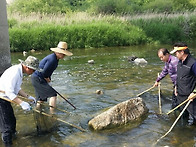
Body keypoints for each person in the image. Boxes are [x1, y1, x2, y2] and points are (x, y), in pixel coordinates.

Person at [0, 56, 40, 147]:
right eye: (33, 70)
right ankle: (7, 144)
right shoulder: (15, 73)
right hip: (1, 99)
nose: (33, 72)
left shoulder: (20, 71)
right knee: (6, 127)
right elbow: (9, 93)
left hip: (5, 98)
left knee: (12, 122)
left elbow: (17, 88)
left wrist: (28, 97)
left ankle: (14, 141)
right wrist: (21, 103)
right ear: (27, 67)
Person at [31, 41, 73, 114]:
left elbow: (48, 72)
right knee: (53, 95)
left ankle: (37, 112)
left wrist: (48, 79)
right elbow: (44, 72)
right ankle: (52, 114)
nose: (64, 55)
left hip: (36, 77)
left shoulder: (55, 59)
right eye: (63, 54)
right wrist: (48, 80)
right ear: (58, 52)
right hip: (38, 78)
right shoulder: (52, 59)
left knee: (41, 99)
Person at [170, 42, 196, 125]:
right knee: (183, 118)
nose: (175, 54)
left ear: (182, 52)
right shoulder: (179, 62)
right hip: (180, 96)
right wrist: (175, 87)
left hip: (190, 98)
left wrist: (195, 93)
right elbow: (179, 76)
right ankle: (184, 136)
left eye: (176, 52)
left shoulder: (193, 63)